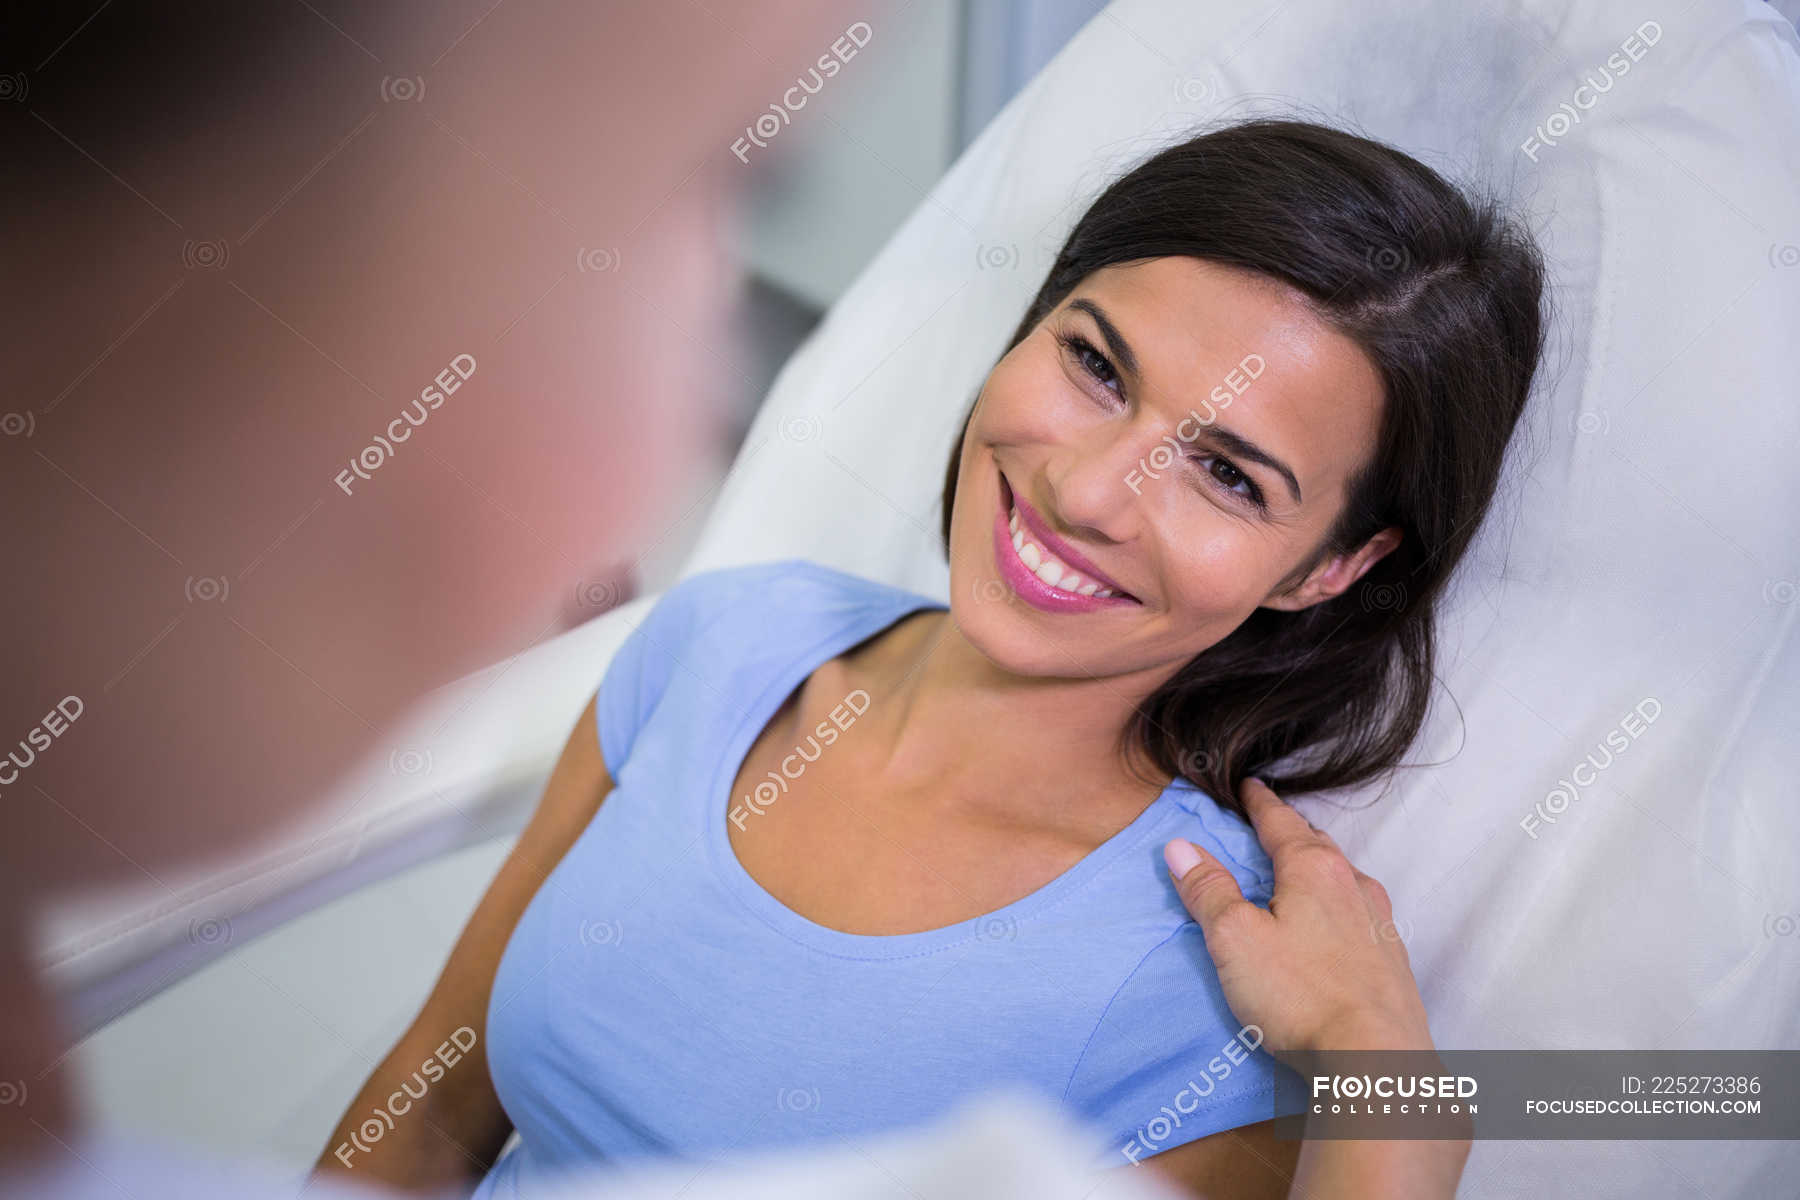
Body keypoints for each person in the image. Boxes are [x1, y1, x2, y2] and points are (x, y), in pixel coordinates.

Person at [315, 118, 1544, 1199]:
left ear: (1327, 567)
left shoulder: (1206, 988)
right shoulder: (725, 640)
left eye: (1226, 474)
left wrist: (1392, 1086)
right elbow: (427, 1115)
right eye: (1096, 365)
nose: (1086, 489)